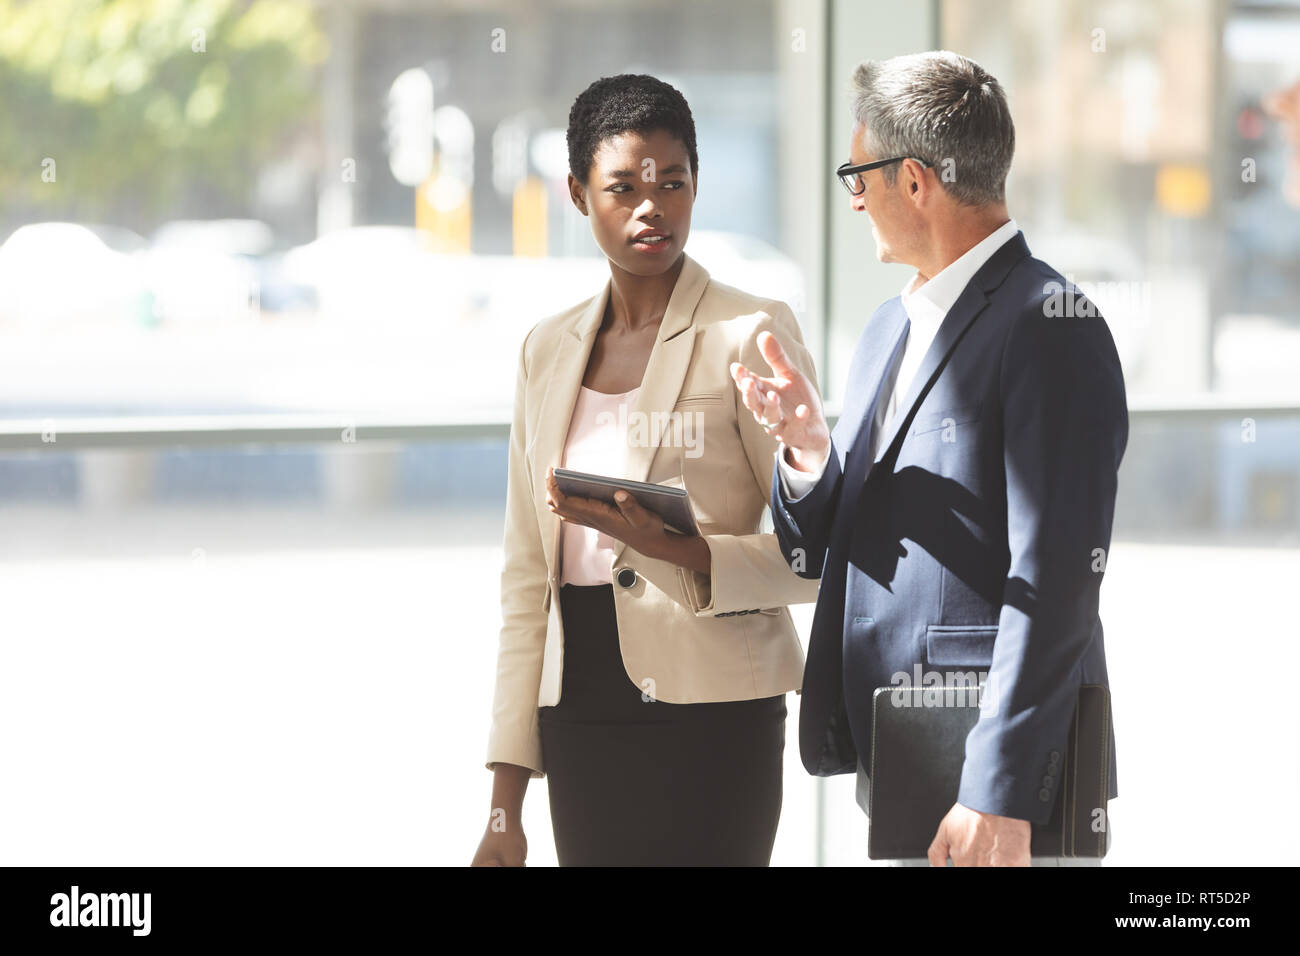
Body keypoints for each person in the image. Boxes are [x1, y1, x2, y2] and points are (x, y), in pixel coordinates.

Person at [732, 51, 1126, 866]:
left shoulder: (1049, 322)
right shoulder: (888, 328)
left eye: (858, 173)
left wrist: (997, 791)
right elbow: (823, 552)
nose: (854, 198)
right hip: (900, 751)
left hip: (992, 776)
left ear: (914, 180)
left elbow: (1056, 579)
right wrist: (808, 450)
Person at [471, 74, 822, 867]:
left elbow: (822, 553)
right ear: (576, 193)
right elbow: (528, 580)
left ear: (697, 185)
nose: (651, 208)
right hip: (581, 713)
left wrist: (693, 554)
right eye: (623, 187)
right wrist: (503, 804)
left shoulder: (749, 332)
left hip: (717, 713)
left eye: (673, 183)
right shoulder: (545, 349)